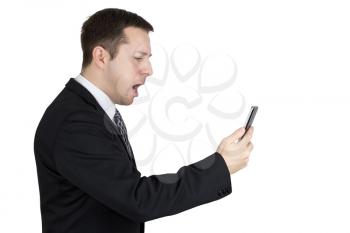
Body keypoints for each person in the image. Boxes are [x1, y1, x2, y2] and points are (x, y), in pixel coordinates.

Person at [33, 8, 254, 233]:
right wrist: (219, 167)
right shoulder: (75, 121)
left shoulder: (92, 112)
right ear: (101, 57)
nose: (148, 70)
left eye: (148, 59)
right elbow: (137, 198)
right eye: (138, 58)